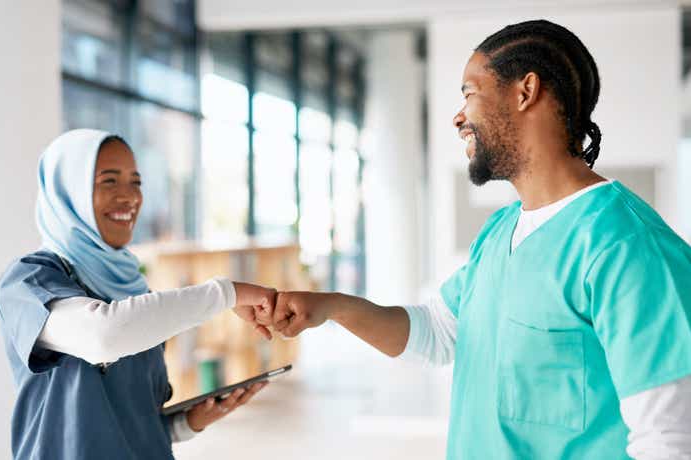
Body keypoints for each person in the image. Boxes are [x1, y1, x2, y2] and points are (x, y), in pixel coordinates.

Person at [247, 20, 691, 459]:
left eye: (469, 93)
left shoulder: (627, 246)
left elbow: (670, 439)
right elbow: (439, 332)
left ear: (525, 91)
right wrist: (331, 307)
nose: (459, 117)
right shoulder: (500, 232)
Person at [0, 129, 276, 459]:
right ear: (66, 190)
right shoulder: (30, 280)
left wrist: (187, 422)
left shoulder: (135, 293)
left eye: (136, 182)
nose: (129, 197)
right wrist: (228, 293)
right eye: (109, 181)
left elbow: (134, 419)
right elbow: (103, 335)